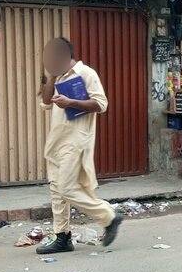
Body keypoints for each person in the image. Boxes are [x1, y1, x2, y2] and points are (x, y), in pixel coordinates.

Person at [36, 37, 123, 254]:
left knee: (66, 188)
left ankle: (109, 216)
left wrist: (71, 102)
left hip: (75, 141)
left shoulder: (86, 74)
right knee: (56, 190)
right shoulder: (56, 77)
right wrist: (51, 77)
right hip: (56, 142)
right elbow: (45, 104)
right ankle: (62, 237)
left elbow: (101, 104)